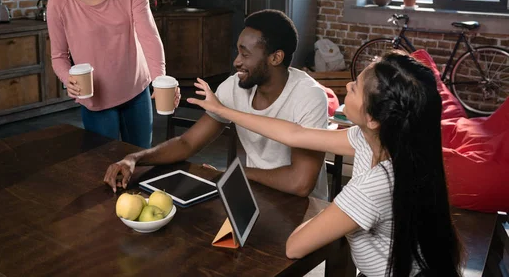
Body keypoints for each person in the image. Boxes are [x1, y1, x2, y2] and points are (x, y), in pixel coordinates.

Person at [188, 51, 463, 277]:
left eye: (355, 89)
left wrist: (333, 214)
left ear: (374, 119)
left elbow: (295, 247)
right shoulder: (387, 143)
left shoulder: (373, 187)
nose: (347, 86)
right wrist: (223, 111)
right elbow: (294, 133)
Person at [105, 9, 330, 199]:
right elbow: (186, 143)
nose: (236, 61)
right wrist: (135, 159)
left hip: (304, 210)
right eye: (237, 52)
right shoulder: (234, 87)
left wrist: (235, 172)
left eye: (245, 54)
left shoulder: (309, 97)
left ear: (275, 58)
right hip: (256, 194)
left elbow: (300, 183)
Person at [47, 0, 177, 149]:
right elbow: (58, 57)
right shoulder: (59, 2)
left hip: (137, 92)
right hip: (96, 100)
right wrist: (69, 80)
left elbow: (149, 37)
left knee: (140, 160)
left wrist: (160, 78)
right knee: (105, 166)